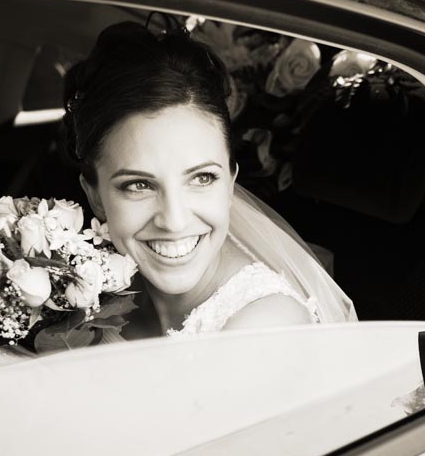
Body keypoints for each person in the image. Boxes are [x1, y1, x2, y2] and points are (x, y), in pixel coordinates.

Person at [60, 20, 356, 337]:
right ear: (94, 196)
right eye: (139, 185)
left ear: (230, 183)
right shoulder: (82, 287)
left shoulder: (266, 329)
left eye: (202, 178)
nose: (174, 221)